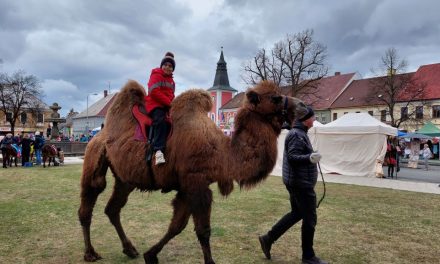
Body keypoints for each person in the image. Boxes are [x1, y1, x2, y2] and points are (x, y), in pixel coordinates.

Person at [258, 106, 328, 264]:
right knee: (310, 219)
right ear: (305, 119)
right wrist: (310, 157)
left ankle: (268, 238)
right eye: (313, 117)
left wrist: (309, 155)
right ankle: (308, 256)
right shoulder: (297, 134)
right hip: (301, 184)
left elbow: (296, 154)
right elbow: (293, 157)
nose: (314, 119)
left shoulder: (299, 133)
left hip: (297, 182)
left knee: (297, 213)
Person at [144, 52, 176, 165]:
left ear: (173, 69)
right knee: (160, 121)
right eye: (166, 65)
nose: (168, 67)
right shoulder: (156, 75)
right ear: (161, 66)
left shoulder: (172, 82)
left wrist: (173, 104)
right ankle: (158, 150)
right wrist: (169, 103)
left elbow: (172, 95)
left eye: (170, 66)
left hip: (167, 106)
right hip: (154, 105)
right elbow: (154, 92)